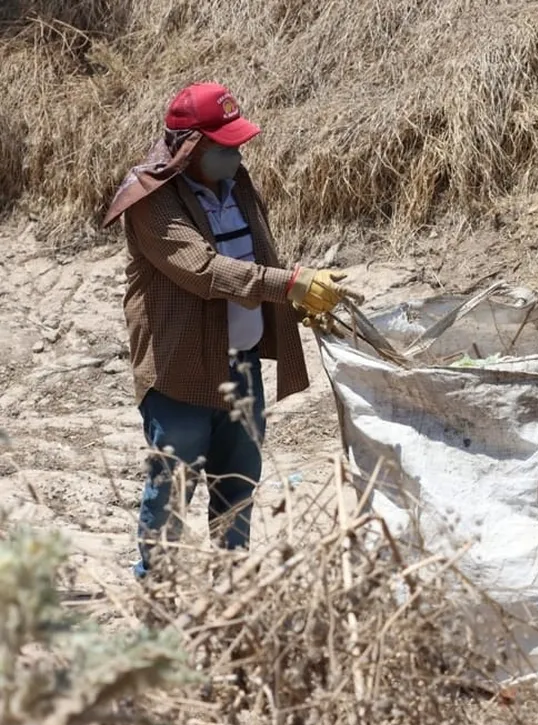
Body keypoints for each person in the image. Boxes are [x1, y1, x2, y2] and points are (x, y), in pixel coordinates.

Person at [102, 82, 360, 578]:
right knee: (174, 483)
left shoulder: (237, 183)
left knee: (238, 478)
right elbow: (203, 270)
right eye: (224, 146)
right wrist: (290, 286)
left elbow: (258, 257)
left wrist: (297, 301)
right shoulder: (151, 200)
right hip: (180, 369)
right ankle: (158, 581)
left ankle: (232, 579)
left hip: (240, 362)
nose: (236, 153)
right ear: (191, 147)